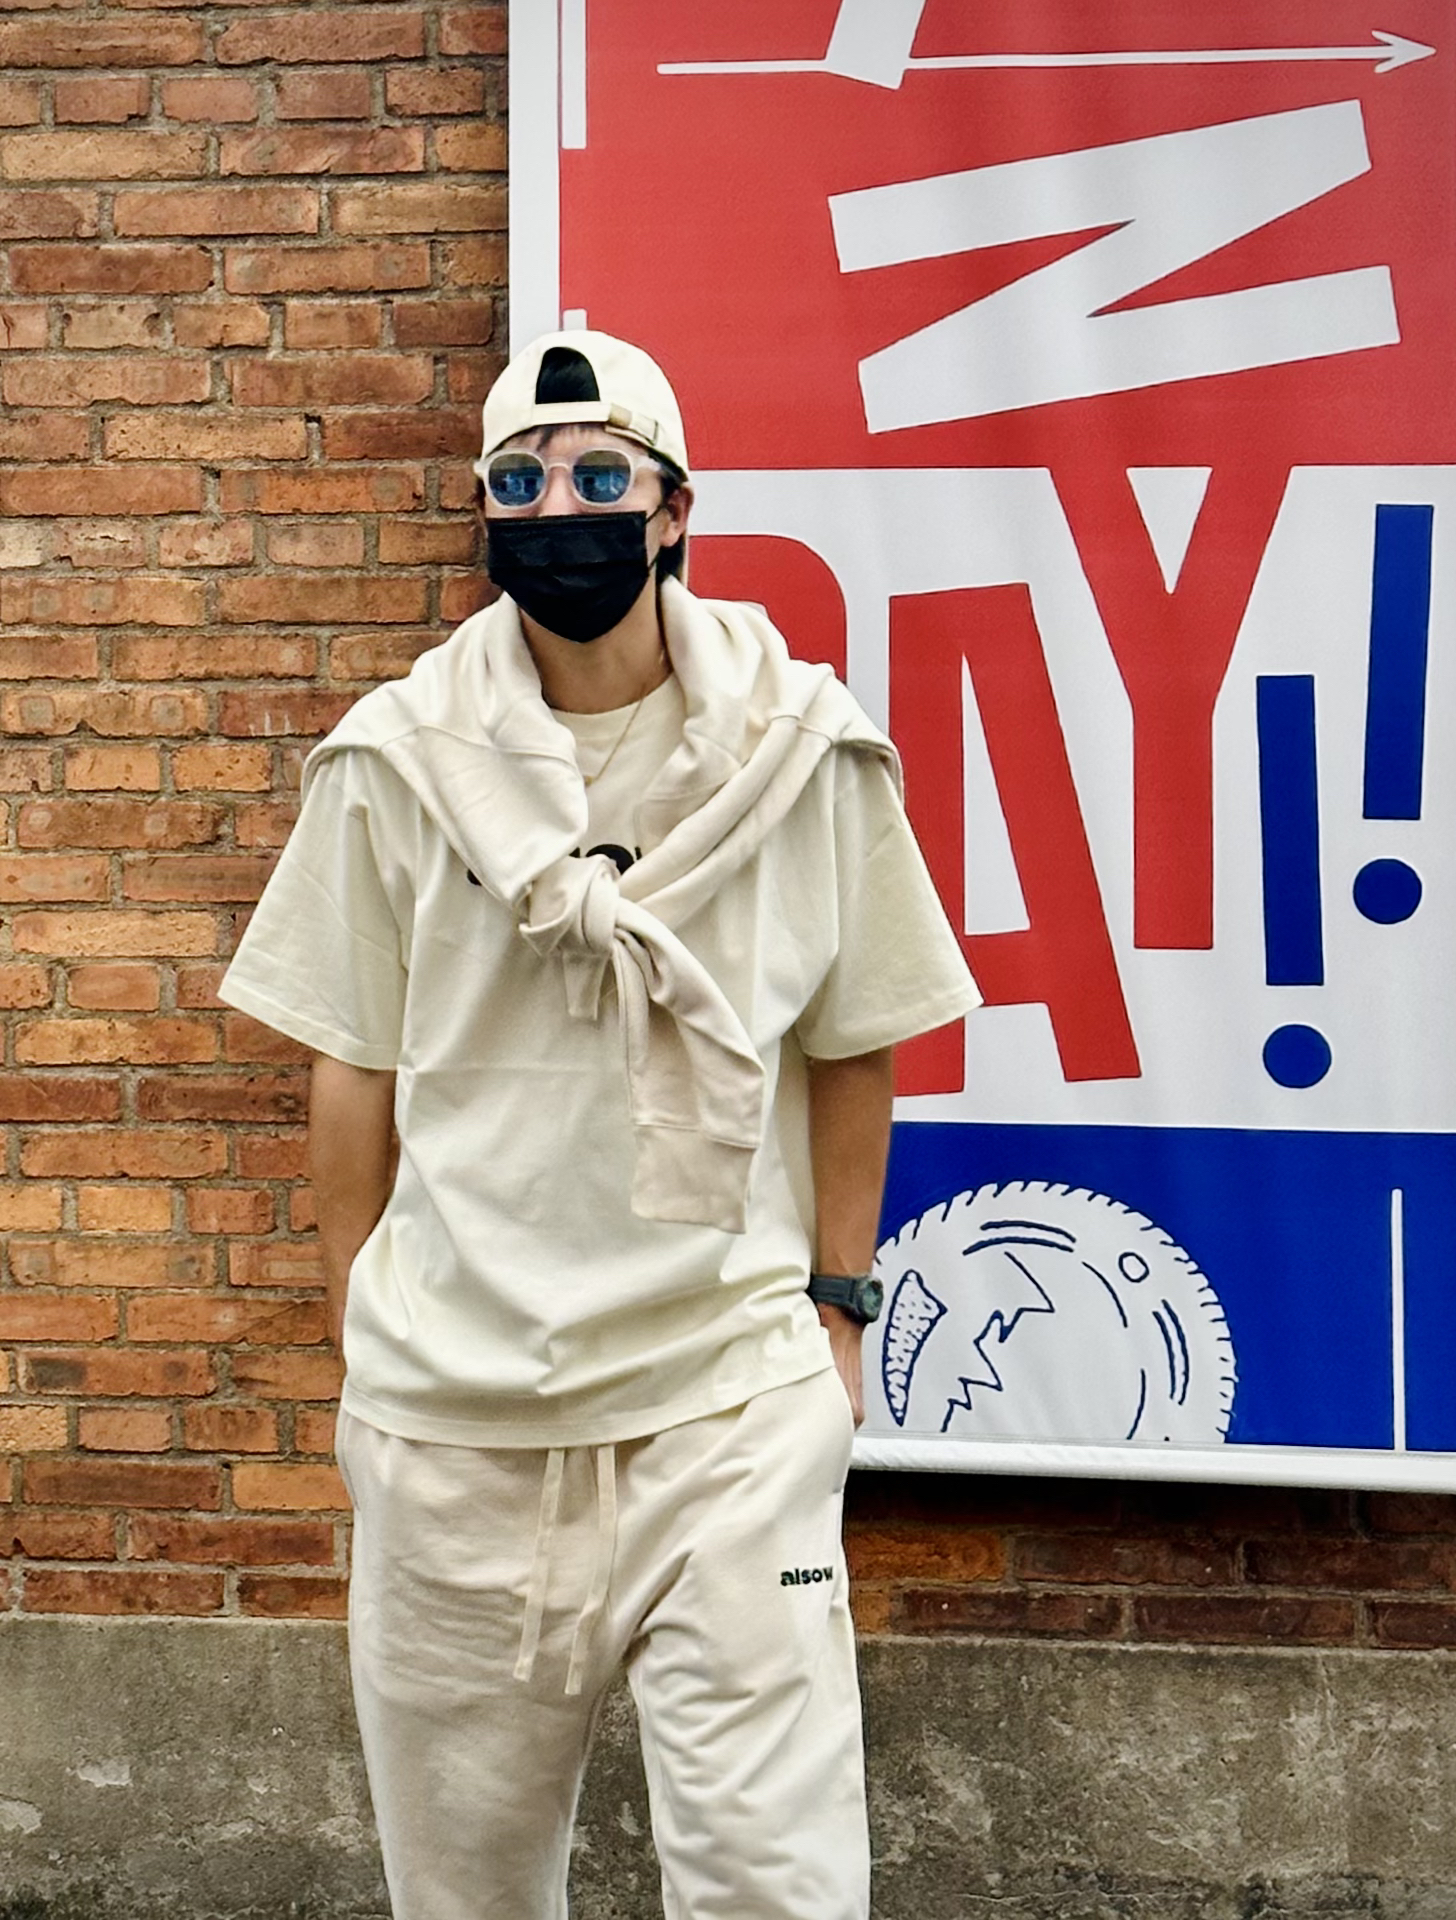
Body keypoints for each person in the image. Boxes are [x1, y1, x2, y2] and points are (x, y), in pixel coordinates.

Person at [220, 328, 979, 1920]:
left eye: (596, 475)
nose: (556, 509)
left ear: (674, 507)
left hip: (727, 1399)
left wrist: (836, 1310)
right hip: (456, 1421)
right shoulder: (396, 759)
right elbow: (351, 1062)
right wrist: (362, 1330)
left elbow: (858, 1041)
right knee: (468, 1890)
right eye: (517, 482)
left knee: (775, 1884)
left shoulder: (802, 750)